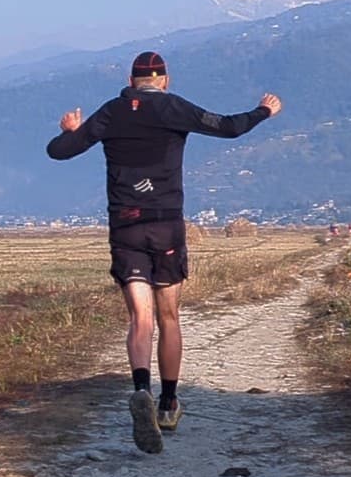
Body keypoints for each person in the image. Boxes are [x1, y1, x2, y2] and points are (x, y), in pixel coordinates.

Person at [46, 50, 283, 453]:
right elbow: (228, 127)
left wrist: (72, 131)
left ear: (130, 81)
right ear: (165, 80)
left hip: (126, 226)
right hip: (166, 224)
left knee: (140, 318)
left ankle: (141, 388)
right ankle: (169, 403)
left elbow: (59, 151)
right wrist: (264, 111)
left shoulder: (110, 112)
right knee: (168, 317)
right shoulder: (173, 107)